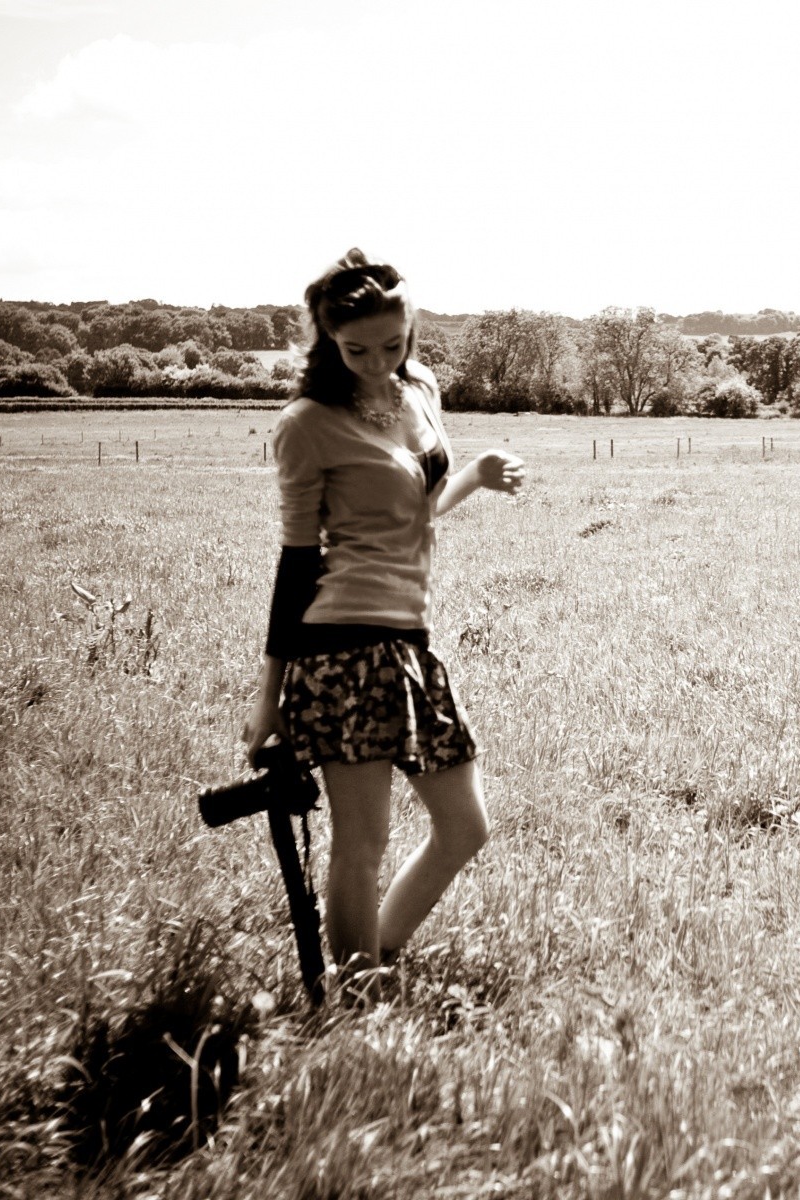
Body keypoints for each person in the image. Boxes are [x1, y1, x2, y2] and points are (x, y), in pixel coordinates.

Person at [242, 249, 523, 985]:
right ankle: (359, 994)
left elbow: (415, 512)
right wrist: (269, 695)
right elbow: (298, 562)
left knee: (465, 828)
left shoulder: (420, 390)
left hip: (409, 643)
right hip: (339, 647)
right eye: (355, 348)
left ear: (411, 331)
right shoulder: (306, 423)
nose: (375, 362)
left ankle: (375, 961)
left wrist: (475, 476)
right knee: (361, 844)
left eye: (391, 345)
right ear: (328, 339)